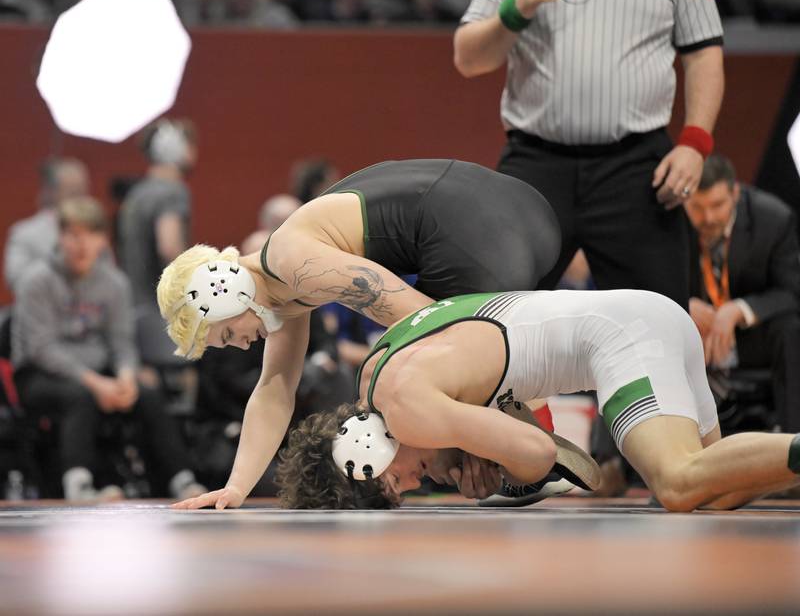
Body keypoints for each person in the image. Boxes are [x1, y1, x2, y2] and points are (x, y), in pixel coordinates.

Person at [161, 158, 561, 508]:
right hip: (510, 218)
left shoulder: (294, 262)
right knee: (426, 378)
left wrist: (465, 440)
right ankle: (530, 440)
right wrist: (235, 489)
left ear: (225, 291)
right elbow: (274, 389)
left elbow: (435, 324)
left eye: (228, 335)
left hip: (488, 226)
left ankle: (539, 444)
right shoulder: (287, 289)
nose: (241, 344)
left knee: (393, 375)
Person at [453, 0, 725, 309]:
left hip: (636, 168)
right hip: (537, 164)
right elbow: (468, 59)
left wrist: (695, 144)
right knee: (496, 311)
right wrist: (515, 10)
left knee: (658, 318)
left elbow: (703, 55)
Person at [276, 289, 800, 511]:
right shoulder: (379, 370)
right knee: (716, 491)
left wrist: (495, 465)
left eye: (395, 482)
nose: (413, 485)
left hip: (623, 337)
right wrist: (470, 447)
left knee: (678, 484)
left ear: (368, 447)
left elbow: (541, 454)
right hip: (643, 315)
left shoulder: (408, 411)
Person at [10, 196, 205, 502]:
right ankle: (79, 485)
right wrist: (95, 383)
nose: (82, 244)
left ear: (102, 240)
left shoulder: (114, 283)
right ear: (60, 237)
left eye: (91, 234)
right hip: (40, 376)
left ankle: (181, 479)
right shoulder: (36, 281)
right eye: (74, 235)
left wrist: (126, 375)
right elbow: (41, 348)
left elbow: (121, 342)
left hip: (100, 373)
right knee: (81, 396)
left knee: (147, 394)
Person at [684, 154, 800, 433]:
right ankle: (620, 451)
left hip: (748, 337)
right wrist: (680, 305)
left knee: (790, 327)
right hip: (689, 333)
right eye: (697, 207)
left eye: (717, 205)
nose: (708, 217)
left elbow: (791, 291)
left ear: (735, 194)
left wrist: (739, 310)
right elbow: (640, 282)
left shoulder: (773, 219)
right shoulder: (667, 219)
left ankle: (793, 439)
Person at [117, 118, 197, 365]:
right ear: (174, 147)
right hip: (163, 315)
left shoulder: (136, 193)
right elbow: (169, 247)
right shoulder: (172, 191)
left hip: (135, 309)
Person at [3, 158, 89, 294]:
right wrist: (59, 260)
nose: (80, 198)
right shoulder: (24, 233)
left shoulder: (94, 232)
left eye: (82, 190)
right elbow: (15, 280)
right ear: (51, 191)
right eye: (72, 191)